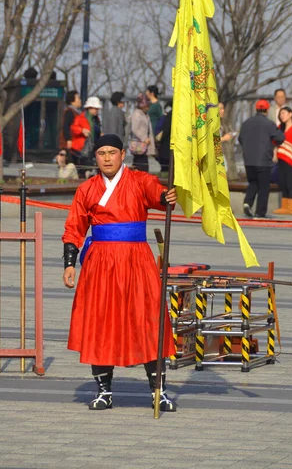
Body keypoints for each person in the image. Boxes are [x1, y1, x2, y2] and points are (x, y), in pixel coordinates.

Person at [62, 134, 177, 412]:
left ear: (122, 154)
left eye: (112, 152)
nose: (107, 158)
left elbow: (159, 196)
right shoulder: (87, 188)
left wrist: (167, 196)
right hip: (100, 263)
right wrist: (69, 263)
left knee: (148, 319)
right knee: (100, 322)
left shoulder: (140, 181)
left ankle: (158, 391)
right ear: (96, 157)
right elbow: (74, 227)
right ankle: (104, 391)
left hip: (136, 260)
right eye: (101, 153)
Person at [239, 99, 285, 218]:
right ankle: (260, 212)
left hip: (248, 160)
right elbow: (280, 137)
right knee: (264, 186)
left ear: (256, 109)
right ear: (267, 109)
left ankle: (247, 203)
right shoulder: (269, 124)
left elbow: (240, 139)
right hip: (264, 160)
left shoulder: (246, 123)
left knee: (253, 182)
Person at [60, 90, 91, 168]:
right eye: (78, 98)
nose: (80, 100)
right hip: (71, 143)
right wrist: (68, 139)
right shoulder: (70, 112)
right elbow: (66, 126)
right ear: (72, 101)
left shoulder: (78, 112)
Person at [129, 93, 155, 172]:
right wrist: (144, 138)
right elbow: (135, 128)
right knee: (141, 167)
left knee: (143, 166)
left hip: (144, 146)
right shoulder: (137, 114)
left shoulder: (145, 114)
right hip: (139, 145)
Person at [83, 96, 103, 164]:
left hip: (94, 147)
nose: (97, 111)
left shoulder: (96, 119)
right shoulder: (83, 118)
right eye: (95, 109)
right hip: (86, 148)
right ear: (89, 108)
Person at [155, 100, 172, 173]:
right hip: (170, 150)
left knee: (165, 169)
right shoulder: (174, 116)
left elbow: (163, 130)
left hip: (165, 149)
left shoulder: (167, 117)